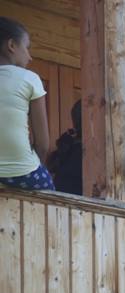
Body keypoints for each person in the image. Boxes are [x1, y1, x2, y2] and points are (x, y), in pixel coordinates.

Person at [0, 18, 51, 190]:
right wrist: (36, 167)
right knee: (51, 198)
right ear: (11, 45)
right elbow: (43, 144)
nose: (30, 57)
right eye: (27, 47)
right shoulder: (29, 78)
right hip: (22, 173)